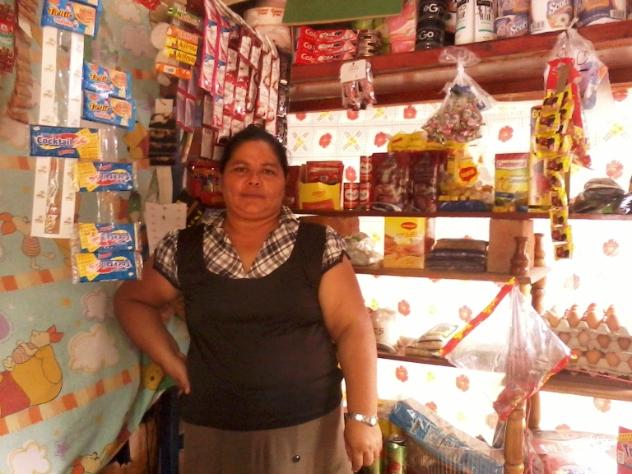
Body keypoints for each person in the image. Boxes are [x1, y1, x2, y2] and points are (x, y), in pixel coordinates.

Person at [114, 125, 382, 473]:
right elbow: (131, 302)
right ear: (221, 179)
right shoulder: (184, 248)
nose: (254, 180)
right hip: (214, 429)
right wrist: (172, 361)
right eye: (241, 169)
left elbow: (353, 328)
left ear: (284, 182)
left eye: (267, 171)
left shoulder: (317, 244)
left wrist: (363, 416)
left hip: (309, 428)